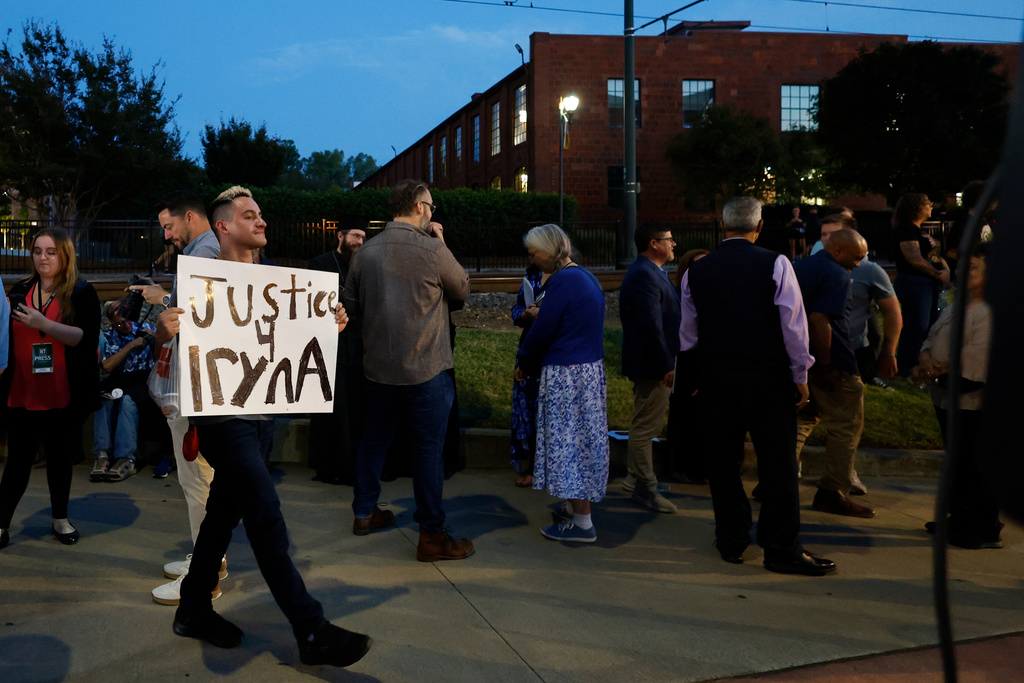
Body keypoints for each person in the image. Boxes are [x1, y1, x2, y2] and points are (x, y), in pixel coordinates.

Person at [162, 185, 371, 667]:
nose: (260, 222)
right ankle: (310, 628)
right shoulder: (200, 280)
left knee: (221, 516)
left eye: (260, 214)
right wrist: (163, 328)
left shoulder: (278, 281)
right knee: (265, 514)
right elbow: (170, 331)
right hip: (220, 417)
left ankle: (192, 609)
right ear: (223, 227)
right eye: (248, 215)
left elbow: (296, 338)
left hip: (259, 417)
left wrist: (330, 322)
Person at [679, 197, 835, 576]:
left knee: (723, 462)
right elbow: (793, 326)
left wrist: (693, 379)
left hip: (716, 377)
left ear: (722, 226)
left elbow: (687, 335)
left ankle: (731, 539)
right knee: (778, 464)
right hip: (766, 377)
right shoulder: (775, 263)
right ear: (759, 227)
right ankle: (780, 547)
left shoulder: (696, 271)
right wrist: (801, 375)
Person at [344, 179, 473, 561]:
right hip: (425, 370)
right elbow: (462, 288)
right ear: (419, 207)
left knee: (374, 440)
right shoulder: (432, 249)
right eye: (431, 207)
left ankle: (364, 512)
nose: (432, 213)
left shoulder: (365, 253)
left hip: (378, 370)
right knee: (427, 452)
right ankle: (432, 535)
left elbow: (351, 304)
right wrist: (442, 242)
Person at [139, 191, 223, 605]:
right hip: (199, 385)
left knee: (196, 480)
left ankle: (205, 573)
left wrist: (163, 300)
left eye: (169, 227)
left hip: (193, 388)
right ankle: (208, 560)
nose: (166, 236)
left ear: (190, 217)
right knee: (199, 479)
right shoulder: (206, 250)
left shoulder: (203, 252)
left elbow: (204, 313)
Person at [0, 227, 98, 549]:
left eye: (51, 251)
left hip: (61, 392)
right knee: (17, 461)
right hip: (22, 390)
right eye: (38, 251)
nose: (42, 257)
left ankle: (60, 518)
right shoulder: (19, 290)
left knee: (59, 458)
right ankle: (1, 523)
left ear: (65, 255)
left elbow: (85, 339)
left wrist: (44, 325)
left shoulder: (81, 293)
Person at [516, 224, 609, 543]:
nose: (532, 259)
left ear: (549, 251)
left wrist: (523, 362)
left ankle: (582, 523)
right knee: (582, 441)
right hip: (588, 371)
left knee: (568, 445)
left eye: (534, 253)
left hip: (567, 374)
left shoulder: (563, 281)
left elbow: (542, 331)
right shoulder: (585, 276)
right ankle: (575, 510)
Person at [916, 244, 1001, 549]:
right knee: (958, 463)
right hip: (947, 398)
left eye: (973, 268)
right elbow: (931, 337)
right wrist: (926, 360)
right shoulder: (957, 305)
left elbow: (974, 368)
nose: (963, 272)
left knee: (975, 466)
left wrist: (934, 373)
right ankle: (960, 517)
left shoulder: (988, 312)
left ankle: (982, 527)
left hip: (973, 404)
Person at [793, 229, 875, 518]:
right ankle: (832, 492)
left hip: (798, 360)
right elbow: (820, 320)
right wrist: (827, 365)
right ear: (839, 251)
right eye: (856, 257)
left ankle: (776, 483)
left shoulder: (797, 266)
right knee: (847, 426)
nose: (859, 264)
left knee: (803, 418)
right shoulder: (837, 274)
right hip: (833, 362)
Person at [619, 224, 680, 513]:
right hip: (652, 364)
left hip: (652, 361)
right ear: (654, 243)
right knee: (646, 427)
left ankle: (635, 479)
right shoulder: (644, 274)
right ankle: (646, 487)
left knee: (644, 422)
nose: (674, 244)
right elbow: (650, 324)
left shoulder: (649, 271)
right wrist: (665, 363)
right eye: (669, 240)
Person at [306, 217, 367, 485]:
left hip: (360, 347)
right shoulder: (321, 264)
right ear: (340, 236)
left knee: (356, 408)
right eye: (355, 236)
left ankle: (354, 465)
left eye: (363, 238)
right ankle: (330, 467)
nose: (359, 242)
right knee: (333, 410)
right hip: (331, 346)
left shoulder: (363, 265)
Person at [90, 300, 156, 483]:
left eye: (128, 320)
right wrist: (130, 345)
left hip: (140, 381)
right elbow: (107, 365)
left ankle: (125, 458)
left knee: (127, 401)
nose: (126, 325)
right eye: (120, 323)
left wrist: (156, 337)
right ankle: (102, 455)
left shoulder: (144, 328)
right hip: (118, 380)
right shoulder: (108, 335)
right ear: (112, 322)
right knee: (104, 399)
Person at [891, 193, 949, 376]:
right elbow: (914, 258)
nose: (931, 206)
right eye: (927, 203)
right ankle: (908, 367)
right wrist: (937, 273)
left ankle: (925, 365)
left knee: (932, 326)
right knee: (917, 326)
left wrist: (945, 271)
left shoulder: (920, 230)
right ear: (916, 207)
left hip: (928, 284)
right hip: (915, 283)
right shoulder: (906, 229)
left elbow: (934, 255)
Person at [667, 248, 709, 484]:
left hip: (702, 356)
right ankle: (680, 466)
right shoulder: (683, 293)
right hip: (687, 358)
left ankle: (698, 467)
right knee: (685, 414)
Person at [510, 262, 545, 488]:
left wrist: (544, 314)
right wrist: (524, 314)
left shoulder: (565, 277)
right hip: (529, 351)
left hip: (551, 353)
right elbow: (516, 311)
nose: (530, 255)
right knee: (529, 411)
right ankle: (531, 467)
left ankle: (545, 469)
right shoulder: (531, 276)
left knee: (547, 413)